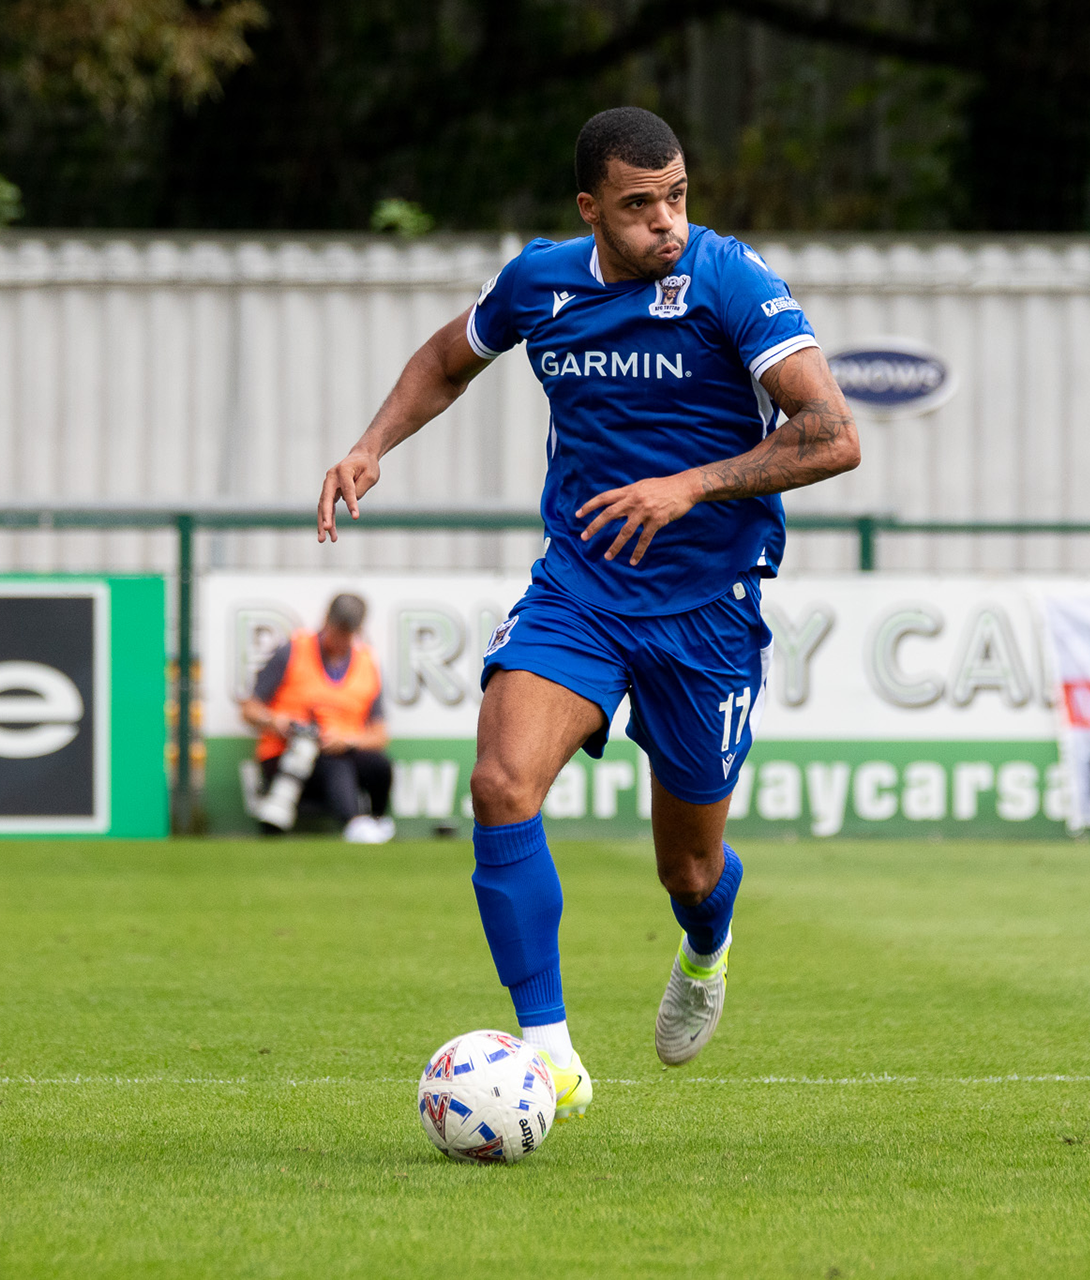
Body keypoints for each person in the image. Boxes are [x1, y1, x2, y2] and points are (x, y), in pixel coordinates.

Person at [315, 107, 859, 1119]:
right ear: (591, 209)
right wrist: (369, 443)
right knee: (499, 781)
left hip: (707, 607)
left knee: (688, 866)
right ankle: (550, 1052)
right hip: (582, 588)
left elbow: (832, 434)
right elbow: (446, 359)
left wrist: (690, 486)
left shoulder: (728, 279)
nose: (668, 224)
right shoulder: (542, 281)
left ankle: (707, 941)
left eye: (679, 197)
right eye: (641, 205)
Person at [240, 593, 395, 844]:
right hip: (287, 754)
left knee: (378, 765)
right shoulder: (293, 650)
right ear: (326, 620)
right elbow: (249, 708)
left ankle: (376, 822)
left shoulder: (367, 662)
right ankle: (354, 825)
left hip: (344, 749)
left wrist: (348, 741)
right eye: (337, 630)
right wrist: (275, 721)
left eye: (347, 633)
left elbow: (379, 735)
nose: (339, 640)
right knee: (333, 762)